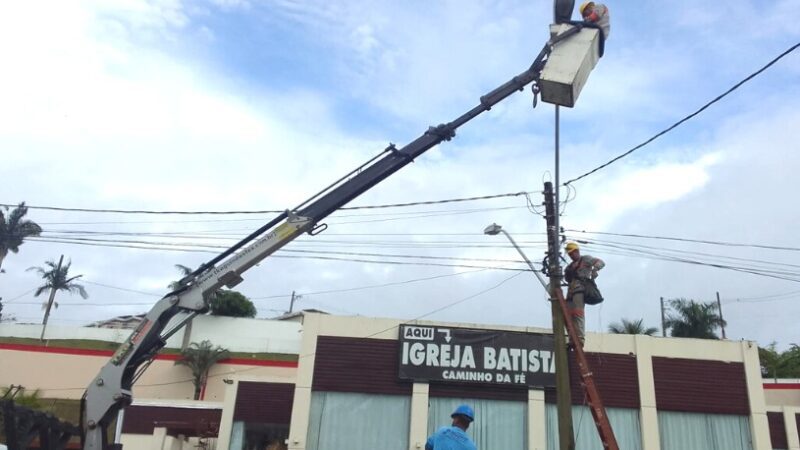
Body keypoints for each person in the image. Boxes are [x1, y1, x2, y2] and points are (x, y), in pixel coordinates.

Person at [564, 241, 605, 347]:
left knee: (577, 313)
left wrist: (595, 269)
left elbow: (600, 262)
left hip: (580, 290)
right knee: (567, 315)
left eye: (572, 253)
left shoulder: (585, 259)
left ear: (577, 251)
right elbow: (567, 279)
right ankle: (572, 339)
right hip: (570, 292)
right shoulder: (570, 267)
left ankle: (580, 339)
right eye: (569, 254)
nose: (571, 255)